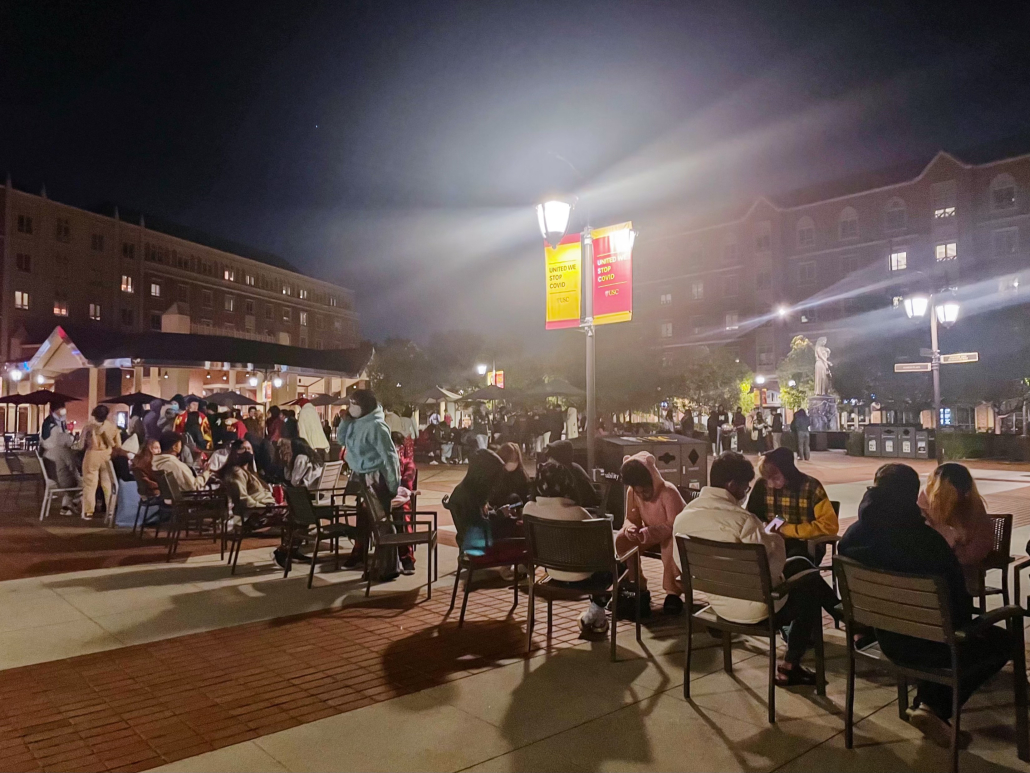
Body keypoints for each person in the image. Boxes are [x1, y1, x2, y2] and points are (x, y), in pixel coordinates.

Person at [839, 463, 1010, 747]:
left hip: (883, 635)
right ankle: (933, 705)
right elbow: (958, 608)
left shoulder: (853, 535)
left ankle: (927, 703)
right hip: (932, 643)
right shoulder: (928, 542)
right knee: (1001, 641)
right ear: (911, 495)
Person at [674, 452, 841, 685]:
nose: (746, 493)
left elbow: (680, 565)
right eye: (745, 487)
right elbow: (773, 572)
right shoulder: (743, 521)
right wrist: (774, 540)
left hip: (718, 604)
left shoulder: (682, 519)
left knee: (802, 567)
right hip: (754, 609)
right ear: (732, 485)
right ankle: (790, 665)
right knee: (808, 587)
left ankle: (848, 624)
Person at [524, 460, 611, 635]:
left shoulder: (529, 510)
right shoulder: (578, 512)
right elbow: (603, 550)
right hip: (584, 575)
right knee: (616, 565)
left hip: (552, 572)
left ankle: (597, 618)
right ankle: (596, 611)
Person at [336, 389, 402, 577]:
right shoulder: (355, 422)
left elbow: (390, 457)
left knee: (381, 522)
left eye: (354, 403)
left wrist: (392, 483)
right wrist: (346, 420)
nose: (351, 407)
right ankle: (361, 552)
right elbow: (342, 440)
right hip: (360, 476)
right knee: (363, 519)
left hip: (375, 478)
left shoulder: (377, 426)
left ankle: (387, 565)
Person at [615, 452, 687, 615]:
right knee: (622, 539)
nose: (641, 495)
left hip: (672, 533)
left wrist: (647, 532)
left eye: (645, 491)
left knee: (670, 545)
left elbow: (673, 525)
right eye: (638, 492)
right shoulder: (632, 493)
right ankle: (636, 581)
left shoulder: (669, 492)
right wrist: (630, 528)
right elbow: (630, 518)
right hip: (648, 532)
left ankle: (672, 592)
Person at [747, 447, 838, 560]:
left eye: (775, 478)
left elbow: (830, 526)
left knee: (791, 562)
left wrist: (787, 530)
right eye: (767, 479)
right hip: (770, 541)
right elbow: (751, 517)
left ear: (788, 471)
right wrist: (765, 526)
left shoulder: (811, 486)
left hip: (805, 544)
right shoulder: (762, 485)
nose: (770, 484)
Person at [443, 449, 524, 563]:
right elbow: (481, 527)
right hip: (480, 546)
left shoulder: (466, 490)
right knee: (523, 531)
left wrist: (499, 513)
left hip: (471, 540)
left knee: (515, 524)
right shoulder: (469, 496)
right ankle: (514, 568)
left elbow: (477, 519)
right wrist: (501, 514)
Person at [920, 463, 994, 580]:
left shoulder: (972, 502)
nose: (962, 495)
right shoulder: (922, 506)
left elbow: (983, 539)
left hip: (963, 566)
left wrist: (961, 557)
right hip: (934, 568)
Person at [81, 405, 121, 519]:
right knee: (107, 484)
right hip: (107, 456)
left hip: (92, 455)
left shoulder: (88, 426)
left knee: (90, 484)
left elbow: (80, 444)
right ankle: (110, 510)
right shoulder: (113, 427)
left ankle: (89, 512)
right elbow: (118, 446)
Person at [40, 402, 81, 514]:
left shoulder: (48, 424)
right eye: (62, 409)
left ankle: (66, 507)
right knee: (82, 482)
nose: (64, 411)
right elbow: (66, 441)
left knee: (74, 478)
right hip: (60, 479)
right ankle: (68, 506)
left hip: (51, 477)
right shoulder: (56, 428)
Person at [543, 439, 600, 508]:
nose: (547, 456)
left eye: (551, 454)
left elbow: (588, 499)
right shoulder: (563, 469)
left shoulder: (568, 471)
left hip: (579, 511)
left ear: (560, 456)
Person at [220, 438, 275, 508]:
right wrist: (262, 508)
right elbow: (243, 499)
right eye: (243, 448)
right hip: (258, 513)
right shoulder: (237, 472)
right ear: (235, 453)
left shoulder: (251, 472)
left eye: (249, 449)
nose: (247, 451)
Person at [489, 442, 532, 507]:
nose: (512, 463)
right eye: (510, 460)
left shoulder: (521, 475)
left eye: (515, 460)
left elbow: (524, 499)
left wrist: (514, 506)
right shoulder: (495, 473)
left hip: (516, 506)